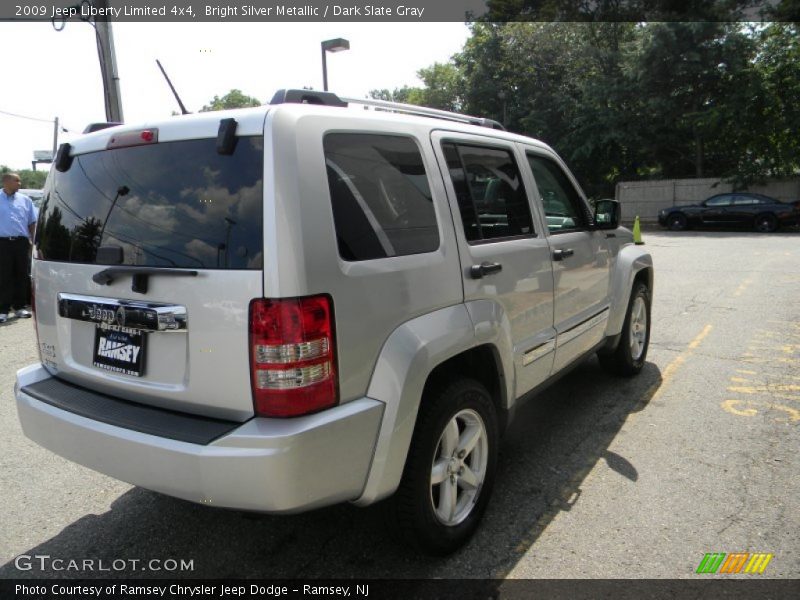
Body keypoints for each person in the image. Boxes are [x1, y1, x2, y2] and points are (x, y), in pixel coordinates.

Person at [0, 172, 37, 323]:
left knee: (21, 274)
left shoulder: (25, 200)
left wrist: (33, 243)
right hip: (2, 243)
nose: (19, 184)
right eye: (17, 181)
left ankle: (20, 307)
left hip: (21, 243)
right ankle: (3, 310)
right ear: (6, 181)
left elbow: (32, 223)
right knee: (4, 275)